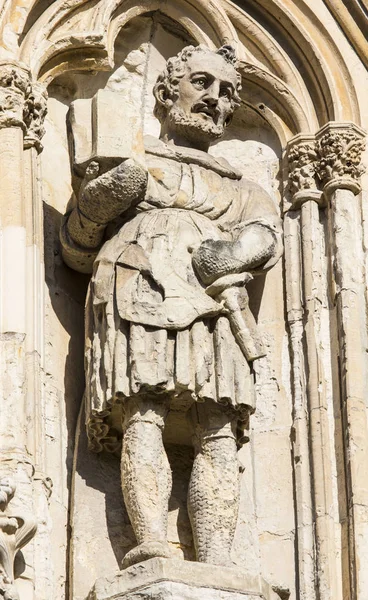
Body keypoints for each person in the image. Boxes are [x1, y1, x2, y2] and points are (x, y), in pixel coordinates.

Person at [61, 44, 283, 568]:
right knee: (144, 410)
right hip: (140, 289)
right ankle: (151, 543)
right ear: (166, 92)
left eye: (227, 92)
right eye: (202, 83)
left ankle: (217, 559)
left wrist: (231, 252)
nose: (214, 99)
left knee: (218, 423)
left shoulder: (241, 187)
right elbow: (75, 244)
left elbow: (264, 237)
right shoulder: (129, 157)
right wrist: (103, 198)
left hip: (211, 301)